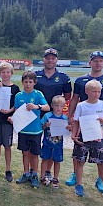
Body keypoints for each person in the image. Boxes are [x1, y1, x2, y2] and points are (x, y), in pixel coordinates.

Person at [66, 51, 103, 192]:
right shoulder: (81, 80)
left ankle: (100, 179)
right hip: (83, 124)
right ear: (90, 63)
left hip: (100, 124)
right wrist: (70, 117)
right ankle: (76, 176)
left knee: (101, 153)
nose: (98, 63)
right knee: (79, 151)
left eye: (100, 61)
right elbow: (74, 99)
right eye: (95, 60)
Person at [71, 80, 103, 202]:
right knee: (79, 162)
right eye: (93, 91)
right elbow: (76, 121)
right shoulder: (81, 105)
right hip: (83, 137)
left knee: (102, 164)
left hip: (98, 138)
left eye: (98, 91)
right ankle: (79, 185)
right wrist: (73, 134)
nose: (96, 94)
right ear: (87, 91)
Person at [35, 48, 72, 181]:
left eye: (53, 58)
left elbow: (67, 97)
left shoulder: (63, 77)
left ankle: (47, 171)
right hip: (37, 114)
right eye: (47, 58)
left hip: (54, 117)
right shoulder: (36, 75)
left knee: (52, 143)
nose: (50, 60)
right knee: (34, 144)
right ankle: (32, 172)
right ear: (43, 59)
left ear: (56, 60)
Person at [12, 71, 49, 188]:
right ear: (22, 82)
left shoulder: (38, 94)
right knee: (25, 153)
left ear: (34, 83)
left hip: (35, 130)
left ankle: (34, 174)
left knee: (34, 154)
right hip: (23, 131)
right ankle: (26, 173)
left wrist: (36, 106)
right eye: (26, 82)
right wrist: (12, 119)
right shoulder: (19, 96)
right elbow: (17, 111)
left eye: (30, 82)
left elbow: (47, 107)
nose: (28, 84)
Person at [40, 95, 71, 188]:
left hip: (58, 144)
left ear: (64, 107)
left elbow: (67, 130)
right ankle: (42, 176)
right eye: (56, 105)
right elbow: (41, 127)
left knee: (57, 160)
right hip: (47, 142)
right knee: (45, 159)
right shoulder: (47, 116)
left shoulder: (64, 118)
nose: (58, 108)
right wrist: (46, 125)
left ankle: (55, 178)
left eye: (61, 106)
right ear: (52, 105)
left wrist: (69, 128)